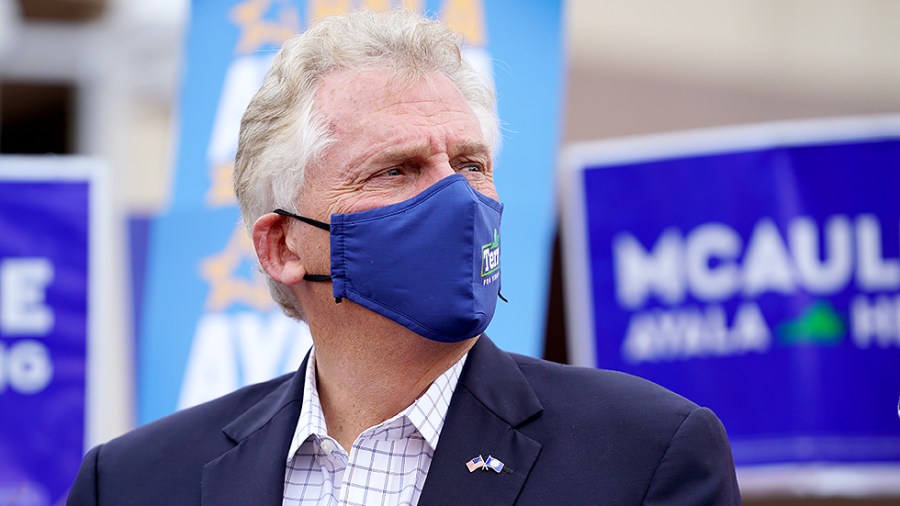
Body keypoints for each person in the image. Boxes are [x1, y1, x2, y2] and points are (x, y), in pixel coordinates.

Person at [68, 9, 740, 505]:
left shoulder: (644, 454)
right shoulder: (134, 482)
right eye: (396, 170)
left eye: (470, 164)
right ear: (281, 246)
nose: (455, 198)